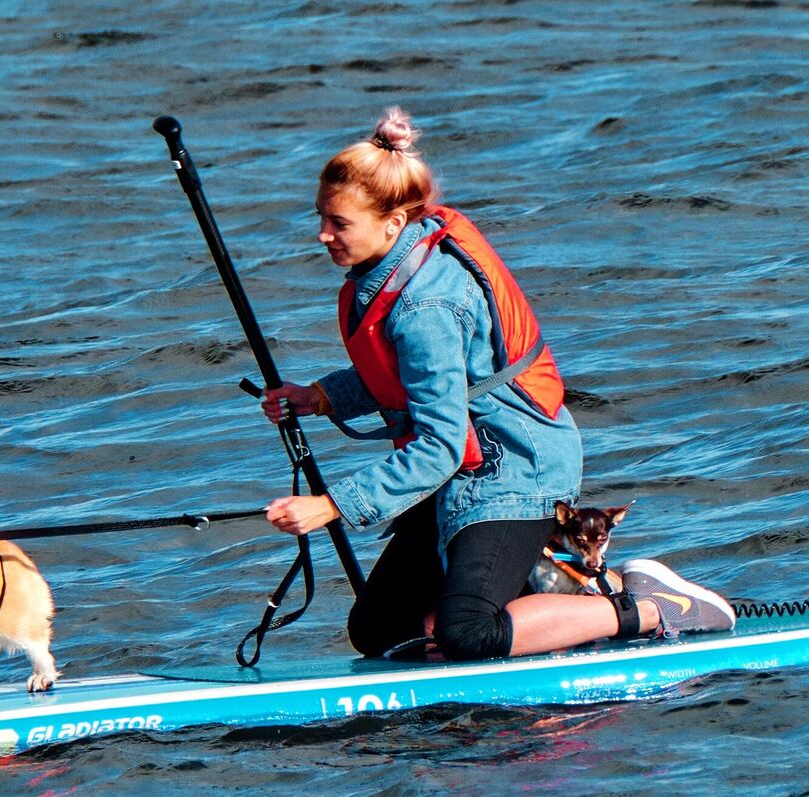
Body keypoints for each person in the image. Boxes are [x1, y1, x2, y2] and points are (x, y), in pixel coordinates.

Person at [261, 107, 734, 660]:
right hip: (464, 470)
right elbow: (415, 374)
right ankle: (532, 590)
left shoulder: (425, 305)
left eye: (338, 224)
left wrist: (332, 506)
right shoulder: (399, 261)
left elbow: (439, 445)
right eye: (321, 217)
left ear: (393, 222)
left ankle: (652, 606)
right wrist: (322, 396)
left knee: (468, 632)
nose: (322, 235)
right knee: (378, 631)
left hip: (515, 469)